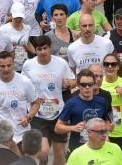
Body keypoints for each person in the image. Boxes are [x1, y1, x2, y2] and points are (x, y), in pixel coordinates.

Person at [23, 36, 74, 165]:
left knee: (59, 153)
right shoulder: (28, 65)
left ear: (50, 48)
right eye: (39, 49)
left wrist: (69, 83)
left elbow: (74, 81)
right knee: (43, 151)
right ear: (35, 50)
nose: (43, 52)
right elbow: (23, 86)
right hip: (38, 113)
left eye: (45, 48)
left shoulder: (61, 63)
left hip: (59, 113)